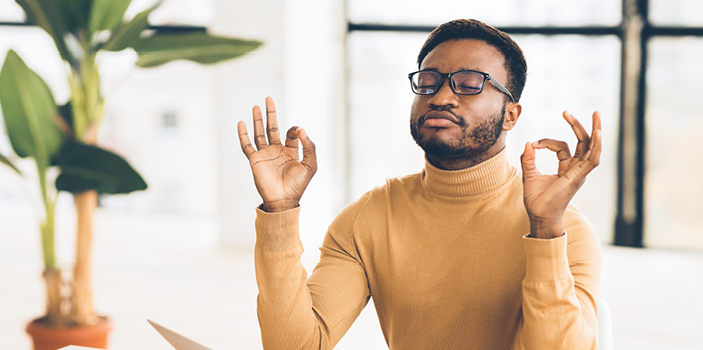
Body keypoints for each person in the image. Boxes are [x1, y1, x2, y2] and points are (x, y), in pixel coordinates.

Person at [236, 19, 602, 350]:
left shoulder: (565, 230)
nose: (441, 97)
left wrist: (545, 232)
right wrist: (280, 213)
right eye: (428, 82)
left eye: (470, 84)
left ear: (510, 115)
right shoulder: (370, 217)